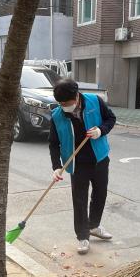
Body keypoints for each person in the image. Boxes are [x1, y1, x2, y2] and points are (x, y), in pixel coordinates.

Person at [49, 78, 117, 254]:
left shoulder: (95, 101)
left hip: (100, 157)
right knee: (79, 200)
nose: (64, 106)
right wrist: (56, 166)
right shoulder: (57, 115)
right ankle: (83, 236)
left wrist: (101, 130)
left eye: (67, 102)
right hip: (76, 163)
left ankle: (94, 226)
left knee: (100, 194)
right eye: (61, 103)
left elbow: (111, 118)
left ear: (76, 95)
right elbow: (53, 143)